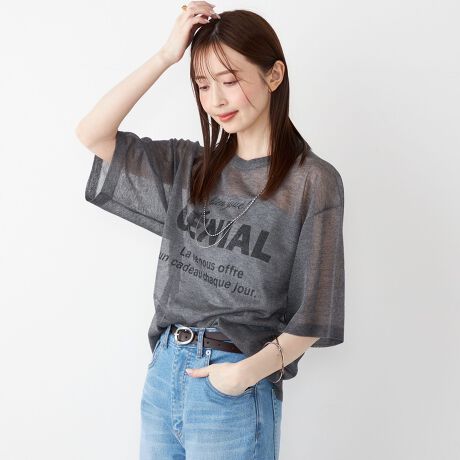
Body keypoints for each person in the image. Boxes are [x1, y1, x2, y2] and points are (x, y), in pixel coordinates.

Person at [76, 3, 345, 460]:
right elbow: (92, 133)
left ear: (274, 75)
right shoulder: (190, 166)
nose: (216, 99)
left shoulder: (311, 181)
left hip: (232, 384)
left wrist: (243, 375)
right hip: (165, 373)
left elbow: (314, 315)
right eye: (203, 85)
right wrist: (167, 55)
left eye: (230, 80)